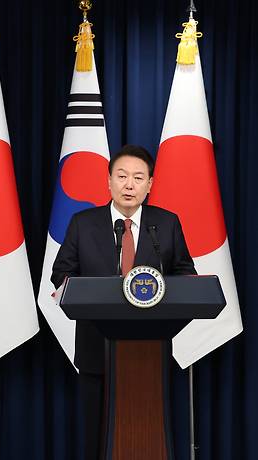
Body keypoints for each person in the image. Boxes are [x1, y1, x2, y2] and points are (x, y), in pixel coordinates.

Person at [51, 145, 196, 459]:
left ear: (150, 184)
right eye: (122, 176)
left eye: (138, 177)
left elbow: (185, 272)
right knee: (96, 438)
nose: (130, 184)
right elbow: (61, 273)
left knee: (149, 434)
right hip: (95, 348)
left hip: (151, 351)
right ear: (109, 181)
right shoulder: (83, 222)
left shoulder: (167, 223)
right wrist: (72, 289)